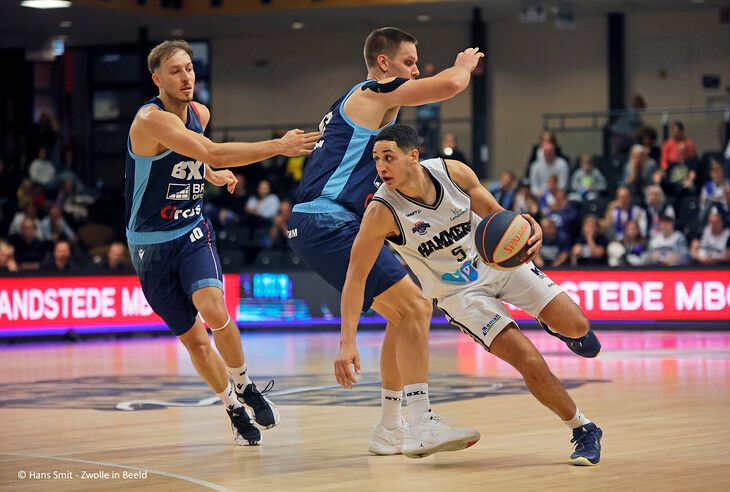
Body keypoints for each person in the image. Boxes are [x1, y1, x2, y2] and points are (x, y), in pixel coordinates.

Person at [337, 124, 603, 465]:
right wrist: (347, 341)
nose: (381, 167)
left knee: (578, 325)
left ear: (413, 156)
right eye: (376, 159)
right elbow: (355, 277)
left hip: (497, 266)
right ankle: (583, 428)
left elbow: (497, 216)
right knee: (528, 359)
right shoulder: (381, 212)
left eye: (388, 157)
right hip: (459, 296)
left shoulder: (453, 173)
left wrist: (529, 227)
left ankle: (559, 327)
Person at [288, 27, 486, 458]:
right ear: (384, 64)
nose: (415, 70)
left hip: (324, 222)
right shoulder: (377, 93)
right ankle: (420, 423)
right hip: (327, 220)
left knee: (404, 315)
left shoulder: (362, 102)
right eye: (409, 62)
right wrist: (465, 64)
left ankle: (390, 428)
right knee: (415, 306)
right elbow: (450, 85)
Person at [126, 39, 320, 446]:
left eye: (190, 68)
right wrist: (279, 146)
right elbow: (208, 150)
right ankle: (231, 406)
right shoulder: (150, 120)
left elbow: (195, 157)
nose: (186, 77)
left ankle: (246, 384)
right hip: (149, 244)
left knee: (215, 310)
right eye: (176, 71)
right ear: (156, 78)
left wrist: (210, 175)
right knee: (195, 341)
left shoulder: (200, 112)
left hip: (191, 230)